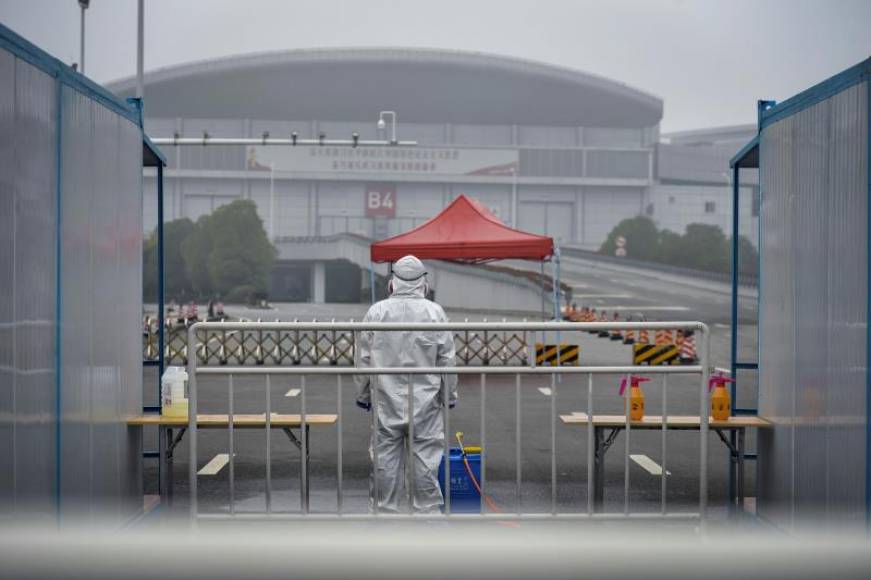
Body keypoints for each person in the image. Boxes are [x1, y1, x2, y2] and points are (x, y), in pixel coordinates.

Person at [355, 255, 458, 513]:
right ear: (424, 283)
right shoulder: (435, 313)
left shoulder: (376, 312)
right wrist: (449, 396)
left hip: (385, 400)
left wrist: (363, 394)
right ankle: (428, 520)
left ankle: (383, 518)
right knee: (425, 462)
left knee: (384, 462)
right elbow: (447, 360)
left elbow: (363, 359)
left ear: (392, 283)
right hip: (426, 403)